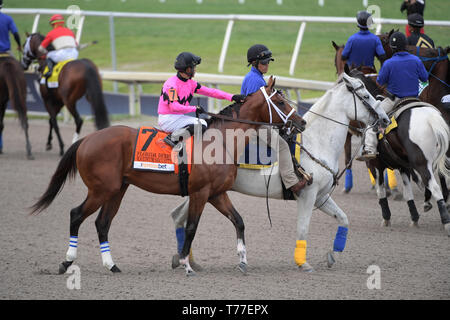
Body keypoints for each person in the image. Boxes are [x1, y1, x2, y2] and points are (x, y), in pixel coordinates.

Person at [242, 44, 307, 196]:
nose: (267, 65)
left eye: (268, 62)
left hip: (256, 122)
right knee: (283, 145)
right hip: (255, 125)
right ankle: (291, 182)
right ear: (254, 63)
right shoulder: (254, 80)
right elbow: (256, 109)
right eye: (264, 63)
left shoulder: (257, 78)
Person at [356, 32, 428, 161]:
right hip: (415, 100)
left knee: (372, 117)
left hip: (394, 101)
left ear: (392, 47)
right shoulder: (416, 60)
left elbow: (380, 81)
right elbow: (424, 78)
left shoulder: (388, 63)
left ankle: (370, 148)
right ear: (405, 45)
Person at [159, 51, 245, 147]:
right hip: (168, 120)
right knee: (201, 125)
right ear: (187, 69)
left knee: (203, 123)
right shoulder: (171, 85)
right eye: (193, 67)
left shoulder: (191, 83)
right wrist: (194, 108)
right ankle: (172, 138)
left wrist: (232, 97)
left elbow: (211, 92)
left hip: (177, 118)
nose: (195, 70)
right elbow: (174, 107)